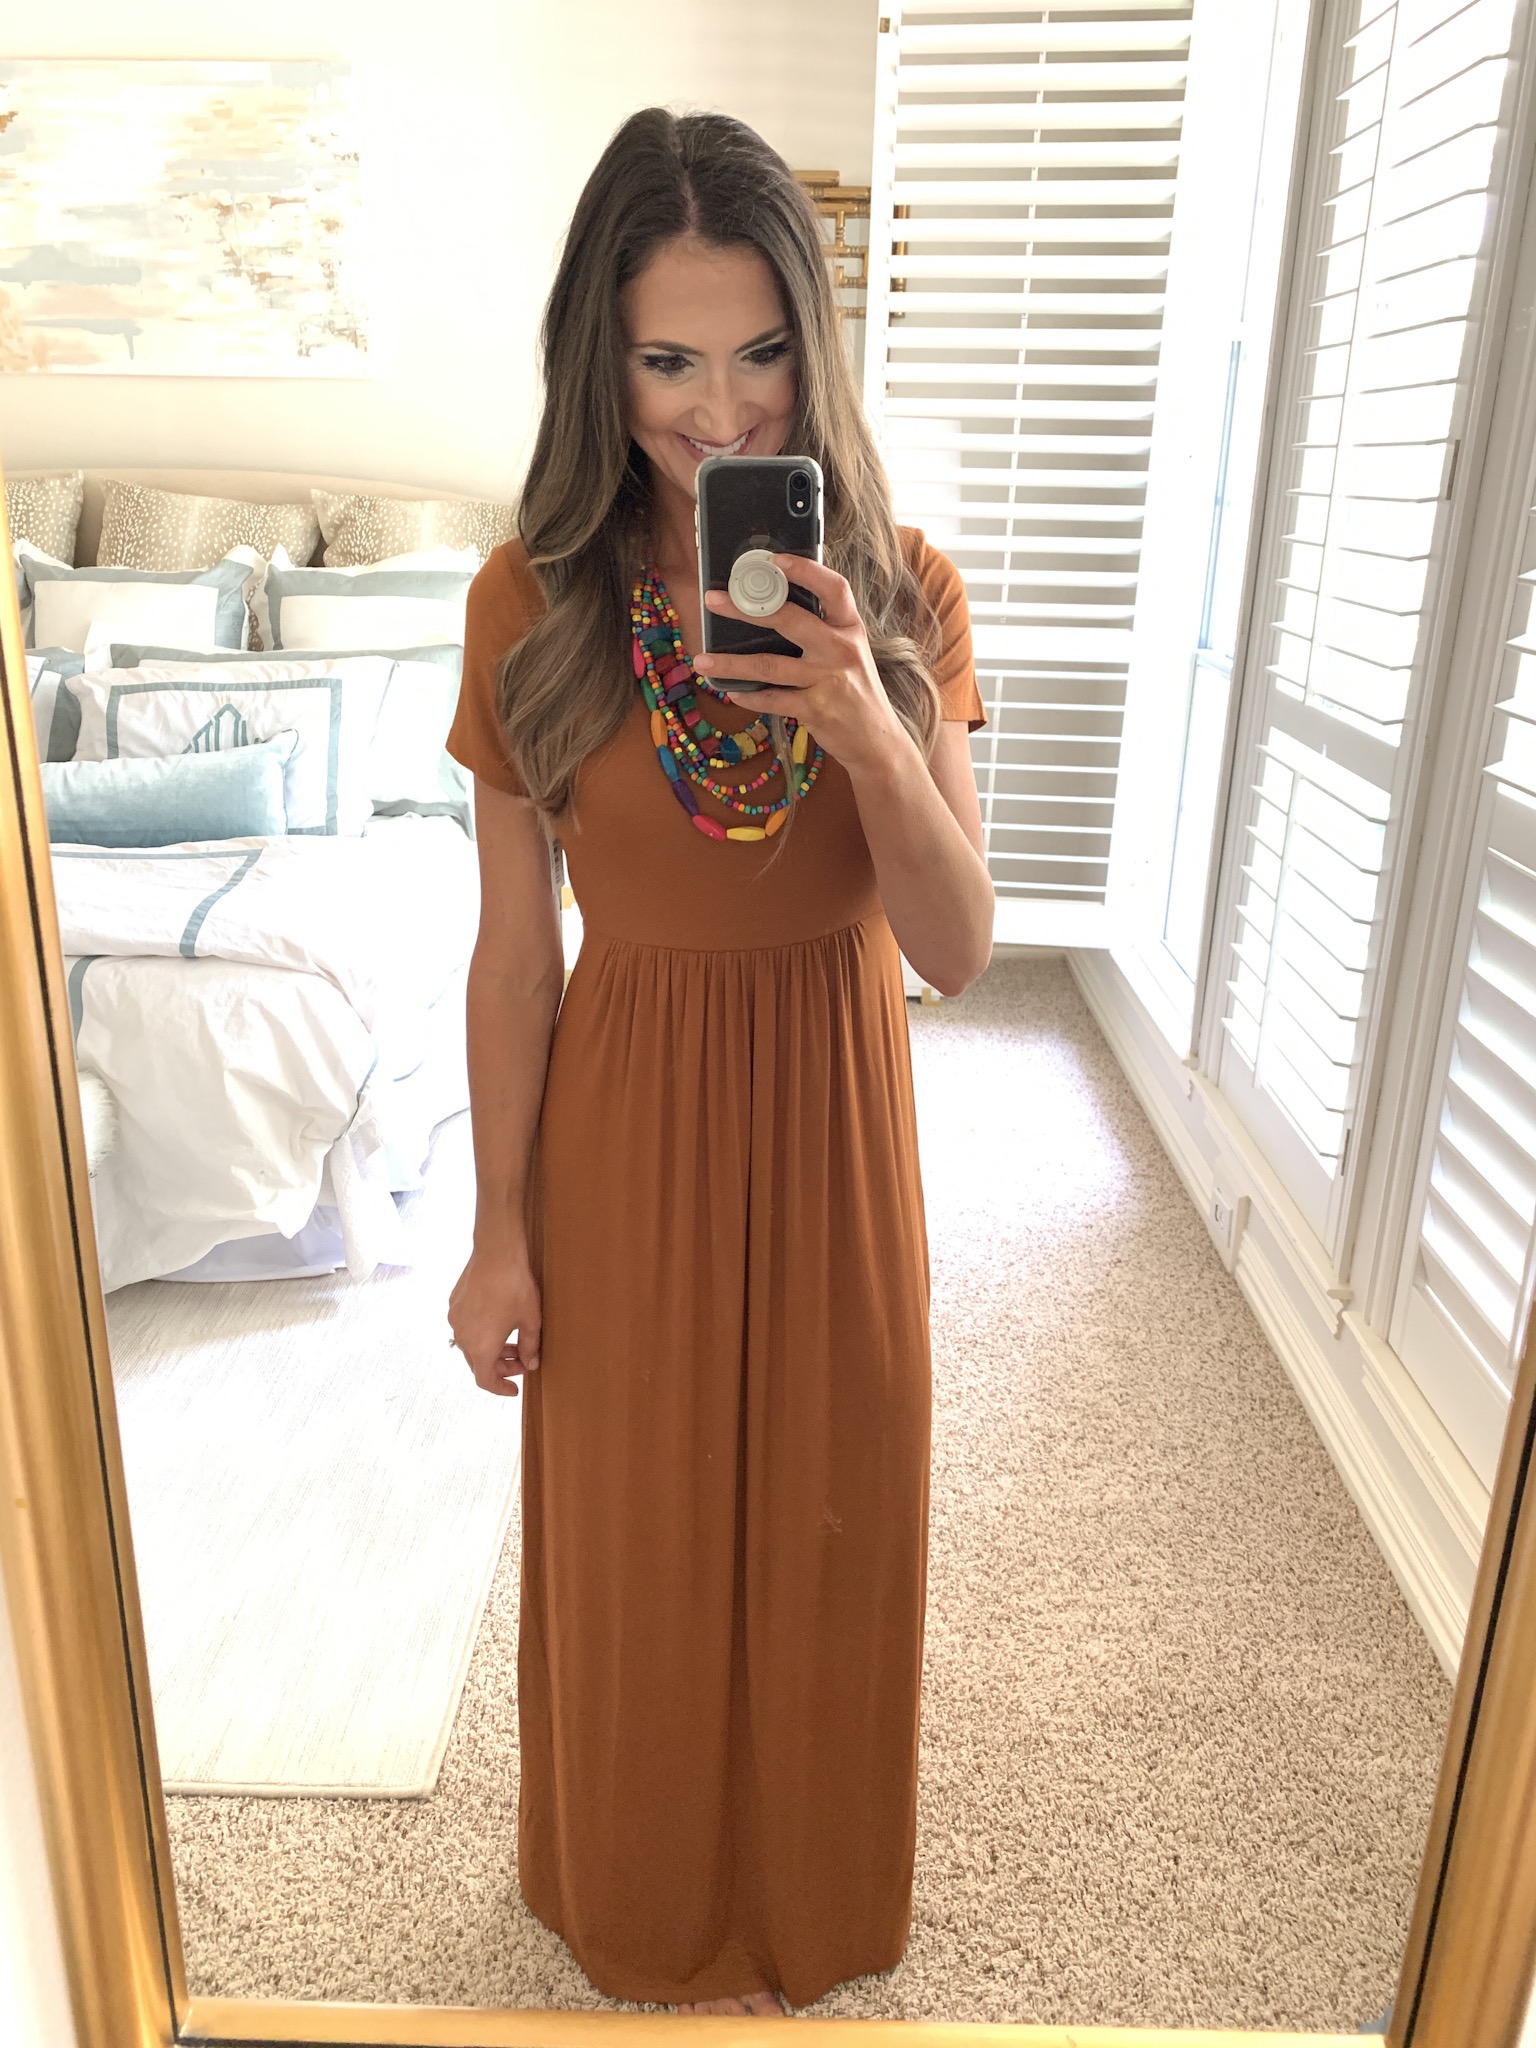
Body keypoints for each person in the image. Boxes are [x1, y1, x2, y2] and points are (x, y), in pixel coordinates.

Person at [445, 106, 993, 2017]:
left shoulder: (903, 587)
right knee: (641, 1533)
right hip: (624, 1126)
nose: (720, 409)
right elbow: (516, 959)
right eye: (666, 361)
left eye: (760, 352)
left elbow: (958, 948)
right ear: (598, 365)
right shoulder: (531, 602)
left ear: (812, 344)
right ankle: (644, 1902)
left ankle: (810, 1906)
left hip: (835, 1120)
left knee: (837, 1515)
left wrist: (870, 724)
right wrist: (496, 1233)